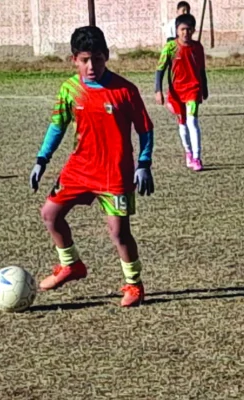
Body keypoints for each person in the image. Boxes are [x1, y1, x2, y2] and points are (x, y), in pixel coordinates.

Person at [28, 26, 155, 307]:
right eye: (84, 59)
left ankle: (134, 286)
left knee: (119, 233)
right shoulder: (70, 89)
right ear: (74, 59)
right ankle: (71, 264)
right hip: (79, 168)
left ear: (106, 56)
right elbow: (57, 126)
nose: (91, 66)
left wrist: (144, 163)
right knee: (50, 214)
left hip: (115, 173)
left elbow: (145, 129)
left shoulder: (125, 90)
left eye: (97, 59)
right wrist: (41, 159)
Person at [155, 13, 208, 171]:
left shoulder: (197, 47)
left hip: (193, 89)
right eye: (183, 29)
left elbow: (202, 69)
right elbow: (160, 69)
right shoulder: (170, 47)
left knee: (193, 121)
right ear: (177, 30)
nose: (186, 33)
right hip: (176, 92)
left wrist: (205, 88)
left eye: (189, 29)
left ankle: (197, 158)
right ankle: (188, 152)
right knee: (182, 123)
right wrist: (158, 90)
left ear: (194, 30)